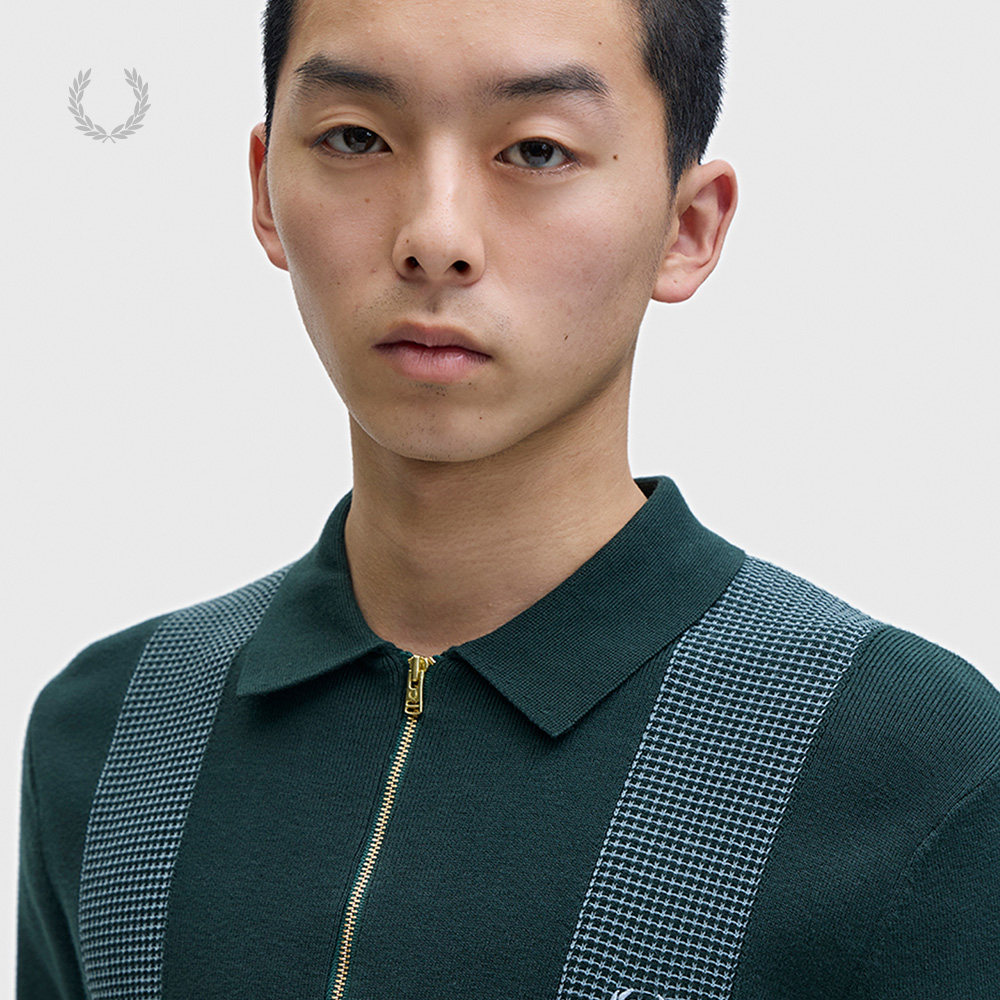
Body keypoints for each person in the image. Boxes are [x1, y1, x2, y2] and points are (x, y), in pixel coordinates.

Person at [16, 0, 999, 996]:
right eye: (356, 137)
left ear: (687, 226)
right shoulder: (114, 734)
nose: (434, 237)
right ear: (266, 190)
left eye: (536, 151)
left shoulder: (910, 763)